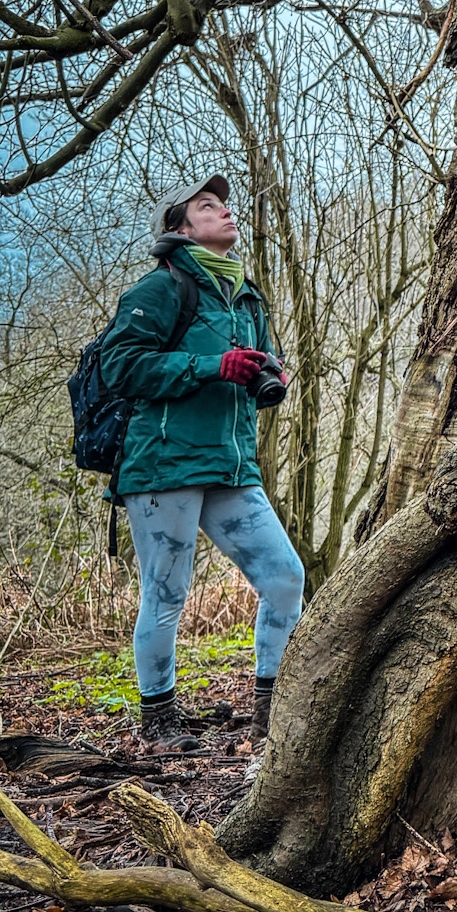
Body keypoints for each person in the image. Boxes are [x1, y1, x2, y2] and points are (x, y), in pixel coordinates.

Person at [100, 173, 305, 746]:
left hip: (232, 465)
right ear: (180, 226)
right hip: (163, 465)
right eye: (207, 206)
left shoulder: (246, 293)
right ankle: (159, 722)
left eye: (224, 204)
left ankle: (272, 715)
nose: (225, 212)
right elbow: (119, 368)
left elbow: (257, 363)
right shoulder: (161, 289)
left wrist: (270, 369)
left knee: (286, 578)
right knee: (166, 595)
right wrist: (211, 368)